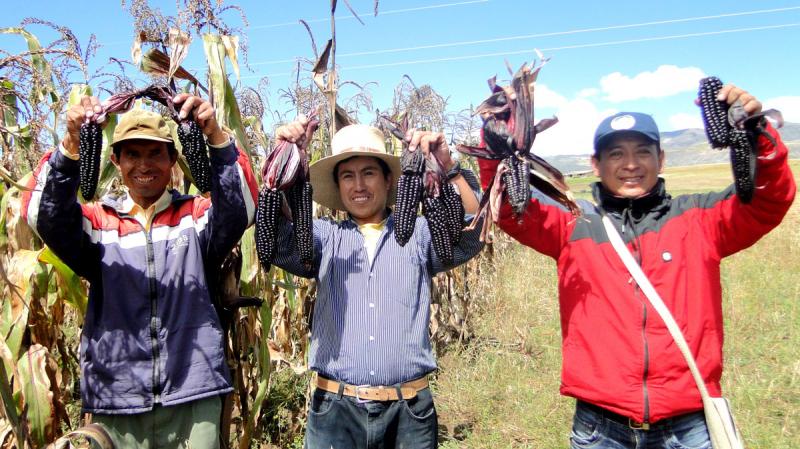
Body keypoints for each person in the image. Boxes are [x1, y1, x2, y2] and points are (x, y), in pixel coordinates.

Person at [476, 84, 796, 448]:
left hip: (687, 425)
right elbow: (508, 211)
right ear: (595, 164)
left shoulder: (699, 219)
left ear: (661, 159)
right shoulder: (573, 224)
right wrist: (497, 145)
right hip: (600, 426)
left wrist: (757, 134)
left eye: (642, 152)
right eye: (616, 154)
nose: (630, 164)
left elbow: (768, 202)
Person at [21, 94, 258, 448]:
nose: (144, 165)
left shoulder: (195, 217)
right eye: (132, 154)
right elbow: (43, 216)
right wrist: (71, 144)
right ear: (115, 160)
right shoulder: (98, 224)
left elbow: (243, 207)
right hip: (118, 396)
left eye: (155, 154)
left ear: (173, 160)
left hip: (194, 392)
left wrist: (217, 138)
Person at [272, 120, 484, 449]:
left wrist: (449, 167)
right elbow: (275, 240)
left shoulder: (419, 233)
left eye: (368, 173)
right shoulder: (323, 237)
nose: (359, 185)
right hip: (335, 411)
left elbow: (472, 234)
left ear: (388, 180)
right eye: (347, 176)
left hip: (408, 412)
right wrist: (284, 157)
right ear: (338, 186)